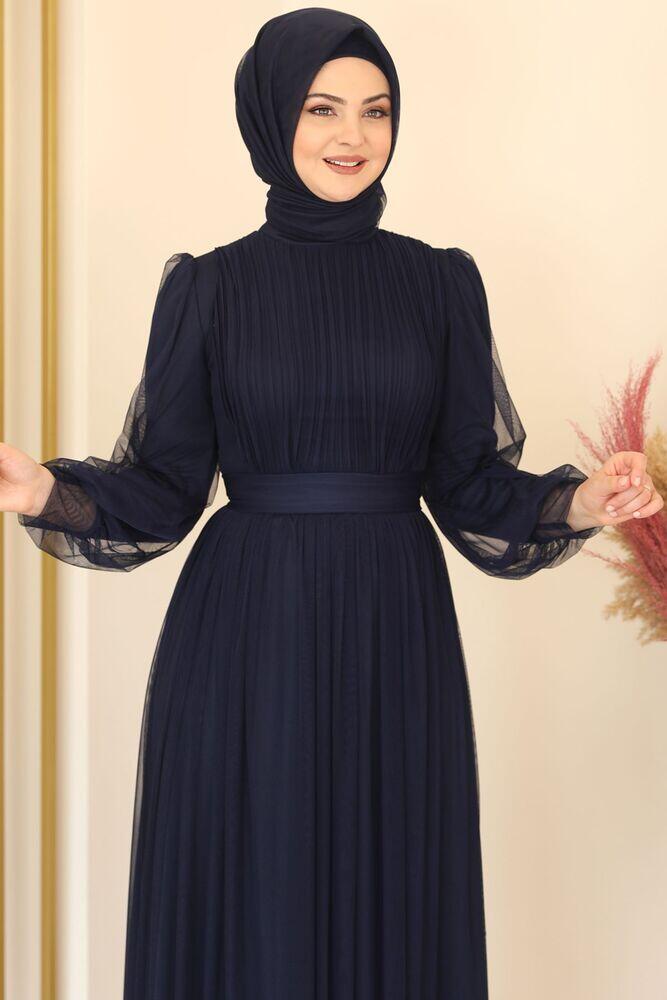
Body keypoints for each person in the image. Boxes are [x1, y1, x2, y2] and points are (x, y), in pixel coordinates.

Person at [1, 7, 663, 998]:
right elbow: (165, 486)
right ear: (272, 117)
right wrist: (47, 490)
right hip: (247, 633)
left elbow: (470, 482)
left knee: (389, 891)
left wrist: (583, 503)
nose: (352, 135)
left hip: (395, 627)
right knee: (257, 894)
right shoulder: (209, 288)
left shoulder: (440, 284)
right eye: (322, 108)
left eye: (375, 109)